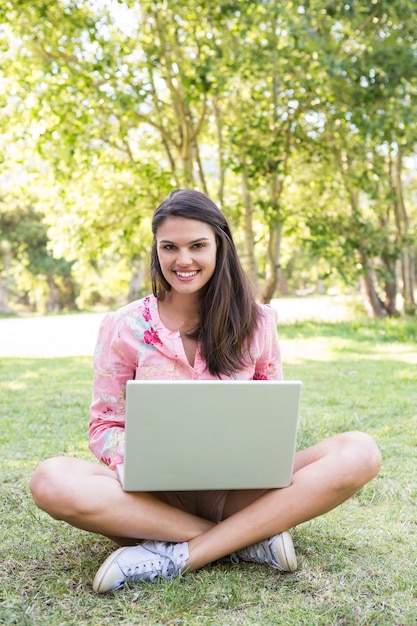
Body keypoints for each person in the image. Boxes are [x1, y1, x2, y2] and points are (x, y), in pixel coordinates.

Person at [30, 189, 381, 594]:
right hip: (150, 497)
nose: (183, 260)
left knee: (360, 451)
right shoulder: (123, 326)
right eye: (170, 247)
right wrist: (139, 460)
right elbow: (104, 424)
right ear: (156, 251)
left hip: (239, 489)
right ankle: (245, 540)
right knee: (50, 479)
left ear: (220, 246)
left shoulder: (258, 321)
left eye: (197, 245)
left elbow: (272, 414)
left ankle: (184, 554)